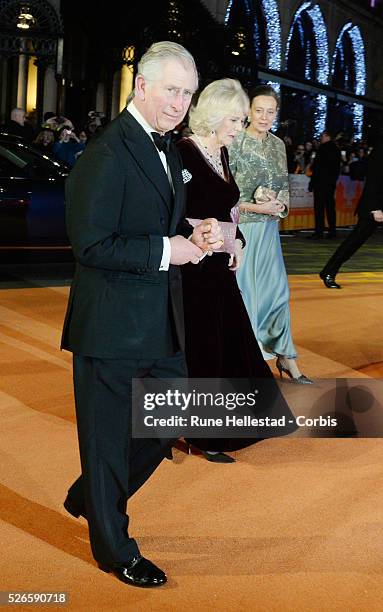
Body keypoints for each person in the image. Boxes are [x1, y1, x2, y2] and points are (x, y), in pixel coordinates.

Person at [61, 41, 223, 589]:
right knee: (107, 444)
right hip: (109, 325)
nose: (180, 102)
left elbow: (156, 219)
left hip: (158, 320)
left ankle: (91, 496)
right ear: (142, 87)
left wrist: (191, 233)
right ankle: (115, 550)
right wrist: (165, 250)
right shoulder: (106, 153)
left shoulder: (167, 148)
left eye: (187, 93)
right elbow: (91, 244)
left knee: (172, 419)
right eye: (172, 89)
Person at [177, 79, 298, 464]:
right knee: (204, 348)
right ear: (213, 117)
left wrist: (237, 243)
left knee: (232, 340)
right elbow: (170, 212)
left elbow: (229, 209)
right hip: (191, 268)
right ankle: (202, 434)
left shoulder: (222, 152)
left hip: (219, 265)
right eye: (234, 119)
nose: (238, 126)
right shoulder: (183, 151)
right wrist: (200, 233)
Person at [229, 85, 312, 384]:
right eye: (259, 110)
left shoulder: (278, 144)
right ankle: (247, 364)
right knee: (247, 296)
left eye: (270, 111)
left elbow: (284, 186)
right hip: (243, 231)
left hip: (269, 230)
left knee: (278, 294)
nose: (264, 117)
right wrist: (256, 206)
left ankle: (286, 356)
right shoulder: (234, 141)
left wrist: (279, 206)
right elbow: (226, 193)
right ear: (248, 110)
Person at [319, 139, 383, 288]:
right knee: (354, 241)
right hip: (375, 206)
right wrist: (375, 208)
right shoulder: (381, 148)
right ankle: (329, 271)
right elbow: (374, 178)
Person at [308, 129, 341, 239]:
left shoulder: (322, 149)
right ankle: (332, 230)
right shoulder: (336, 149)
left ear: (327, 136)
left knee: (319, 207)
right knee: (330, 207)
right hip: (330, 183)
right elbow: (337, 168)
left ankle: (319, 231)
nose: (320, 138)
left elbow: (317, 167)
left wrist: (312, 183)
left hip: (320, 182)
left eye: (322, 136)